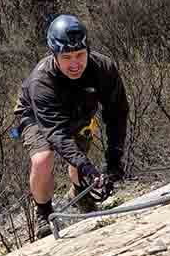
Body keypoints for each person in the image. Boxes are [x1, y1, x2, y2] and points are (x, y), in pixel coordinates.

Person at [14, 14, 129, 240]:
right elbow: (56, 134)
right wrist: (89, 168)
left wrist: (113, 161)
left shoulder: (103, 68)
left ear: (88, 49)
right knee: (43, 159)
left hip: (79, 108)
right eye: (67, 57)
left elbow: (117, 113)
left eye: (79, 55)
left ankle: (80, 193)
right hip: (36, 115)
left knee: (79, 159)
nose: (75, 63)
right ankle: (44, 212)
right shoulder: (41, 81)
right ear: (54, 55)